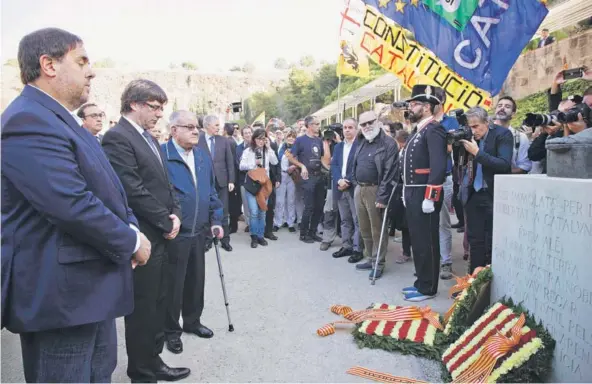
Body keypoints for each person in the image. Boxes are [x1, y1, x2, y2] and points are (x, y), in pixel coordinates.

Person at [1, 27, 150, 383]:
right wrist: (131, 241)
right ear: (48, 64)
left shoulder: (61, 121)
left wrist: (130, 226)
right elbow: (69, 202)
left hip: (87, 289)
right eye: (81, 61)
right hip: (61, 298)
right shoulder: (27, 120)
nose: (91, 71)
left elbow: (109, 190)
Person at [102, 79, 190, 382]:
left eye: (162, 108)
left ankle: (153, 362)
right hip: (144, 237)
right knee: (142, 309)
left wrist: (176, 212)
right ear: (134, 104)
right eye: (154, 107)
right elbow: (132, 190)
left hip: (163, 232)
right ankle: (141, 371)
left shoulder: (150, 138)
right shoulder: (117, 138)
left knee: (158, 303)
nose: (159, 114)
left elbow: (165, 185)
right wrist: (166, 222)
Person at [161, 111, 224, 354]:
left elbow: (210, 192)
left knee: (196, 281)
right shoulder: (163, 155)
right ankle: (170, 330)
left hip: (199, 231)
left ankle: (192, 321)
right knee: (173, 285)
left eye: (196, 126)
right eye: (188, 127)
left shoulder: (201, 155)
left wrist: (216, 219)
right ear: (174, 130)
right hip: (175, 232)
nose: (195, 130)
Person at [400, 84, 448, 302]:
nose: (411, 107)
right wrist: (405, 190)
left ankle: (429, 287)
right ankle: (421, 282)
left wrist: (431, 196)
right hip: (413, 192)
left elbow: (437, 166)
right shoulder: (418, 130)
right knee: (418, 240)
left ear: (427, 107)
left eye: (415, 103)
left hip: (424, 194)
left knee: (427, 241)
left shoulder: (434, 129)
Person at [459, 107, 513, 273]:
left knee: (491, 241)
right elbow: (460, 163)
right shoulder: (469, 137)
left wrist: (477, 152)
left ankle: (489, 284)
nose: (473, 130)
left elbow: (504, 164)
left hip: (493, 194)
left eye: (476, 126)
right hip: (473, 193)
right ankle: (472, 284)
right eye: (470, 127)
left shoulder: (502, 134)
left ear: (487, 122)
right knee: (475, 241)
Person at [351, 111, 398, 279]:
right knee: (364, 228)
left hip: (376, 190)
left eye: (370, 122)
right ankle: (371, 258)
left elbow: (390, 172)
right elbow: (355, 163)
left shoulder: (388, 143)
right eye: (363, 124)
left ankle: (379, 262)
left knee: (377, 229)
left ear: (377, 121)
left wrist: (382, 197)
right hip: (360, 188)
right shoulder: (362, 140)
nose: (367, 126)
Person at [286, 115, 331, 243]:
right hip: (307, 177)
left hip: (319, 176)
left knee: (319, 206)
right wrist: (301, 166)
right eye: (316, 124)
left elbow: (323, 158)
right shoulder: (300, 140)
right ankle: (304, 234)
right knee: (309, 206)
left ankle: (313, 232)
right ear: (310, 125)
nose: (318, 126)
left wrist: (328, 167)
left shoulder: (319, 140)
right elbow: (290, 156)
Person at [197, 115, 236, 252]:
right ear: (207, 126)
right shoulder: (197, 140)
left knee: (224, 211)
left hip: (222, 182)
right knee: (207, 211)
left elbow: (230, 161)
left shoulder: (224, 141)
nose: (219, 128)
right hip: (205, 182)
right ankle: (208, 240)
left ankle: (225, 240)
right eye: (216, 125)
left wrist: (231, 180)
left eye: (219, 125)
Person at [330, 118, 363, 263]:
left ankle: (357, 249)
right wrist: (339, 180)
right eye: (345, 128)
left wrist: (347, 181)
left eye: (350, 127)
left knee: (357, 220)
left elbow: (359, 166)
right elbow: (334, 166)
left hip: (353, 187)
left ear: (356, 129)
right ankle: (346, 245)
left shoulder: (360, 145)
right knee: (344, 220)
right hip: (339, 187)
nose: (347, 130)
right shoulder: (338, 147)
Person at [239, 128, 279, 248]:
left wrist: (269, 148)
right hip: (252, 184)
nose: (261, 141)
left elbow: (275, 162)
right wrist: (253, 165)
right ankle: (254, 236)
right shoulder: (248, 151)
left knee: (262, 212)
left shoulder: (267, 151)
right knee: (254, 212)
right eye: (259, 138)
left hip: (264, 184)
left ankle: (261, 236)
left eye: (263, 138)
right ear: (254, 139)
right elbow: (241, 166)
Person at [274, 129, 298, 232]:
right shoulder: (281, 147)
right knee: (279, 201)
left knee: (291, 200)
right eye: (289, 136)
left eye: (293, 136)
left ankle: (290, 223)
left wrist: (294, 167)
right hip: (282, 175)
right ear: (286, 137)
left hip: (293, 176)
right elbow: (277, 162)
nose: (291, 138)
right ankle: (278, 222)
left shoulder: (297, 148)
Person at [237, 126, 253, 232]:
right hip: (244, 179)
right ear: (242, 135)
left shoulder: (257, 145)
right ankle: (249, 223)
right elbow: (237, 163)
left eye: (249, 132)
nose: (247, 134)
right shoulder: (238, 148)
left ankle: (258, 223)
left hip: (257, 180)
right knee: (246, 204)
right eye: (245, 133)